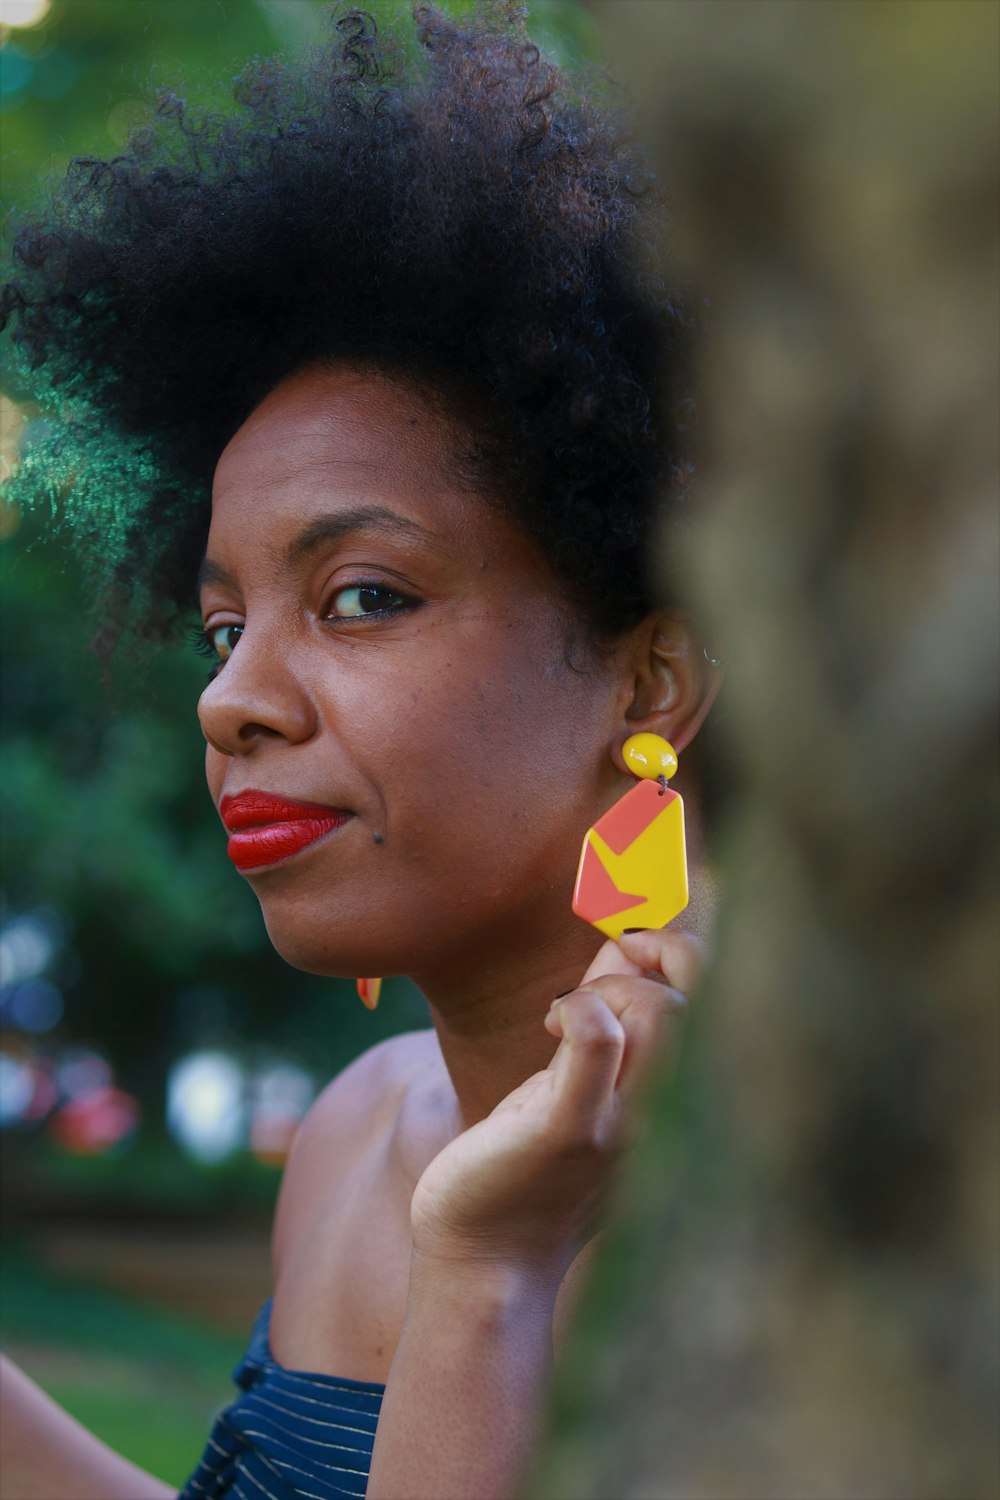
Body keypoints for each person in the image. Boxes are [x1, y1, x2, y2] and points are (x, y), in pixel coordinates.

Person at [0, 4, 722, 1497]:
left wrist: (484, 1274)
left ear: (652, 678)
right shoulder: (359, 1126)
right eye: (219, 629)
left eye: (362, 599)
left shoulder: (813, 1223)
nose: (230, 702)